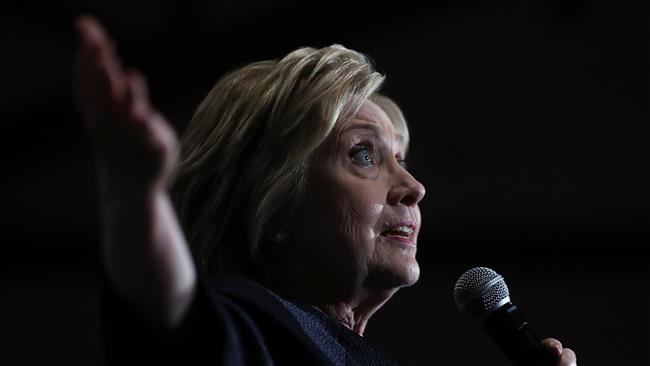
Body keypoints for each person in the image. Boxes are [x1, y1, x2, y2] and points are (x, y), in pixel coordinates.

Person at [73, 15, 578, 366]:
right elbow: (169, 310)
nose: (414, 188)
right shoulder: (254, 328)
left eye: (400, 160)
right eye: (364, 155)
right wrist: (133, 193)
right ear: (272, 207)